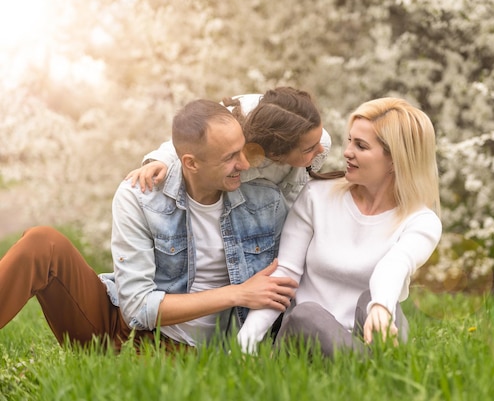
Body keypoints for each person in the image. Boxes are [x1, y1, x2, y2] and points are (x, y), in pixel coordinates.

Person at [0, 99, 298, 350]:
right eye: (231, 157)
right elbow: (137, 309)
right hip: (117, 324)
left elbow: (309, 136)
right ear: (191, 163)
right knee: (43, 243)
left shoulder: (265, 203)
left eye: (243, 150)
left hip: (183, 349)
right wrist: (238, 294)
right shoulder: (140, 196)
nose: (245, 164)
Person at [237, 97, 442, 357]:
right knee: (307, 314)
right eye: (349, 141)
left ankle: (367, 365)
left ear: (395, 160)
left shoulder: (422, 221)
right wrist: (244, 345)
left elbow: (396, 264)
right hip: (306, 339)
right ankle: (379, 373)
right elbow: (284, 276)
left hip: (370, 330)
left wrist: (381, 306)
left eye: (361, 146)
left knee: (371, 299)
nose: (347, 152)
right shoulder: (317, 195)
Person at [127, 87, 332, 207]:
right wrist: (159, 160)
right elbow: (195, 136)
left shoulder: (320, 143)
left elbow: (293, 197)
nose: (320, 151)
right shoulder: (234, 118)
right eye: (308, 149)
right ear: (276, 153)